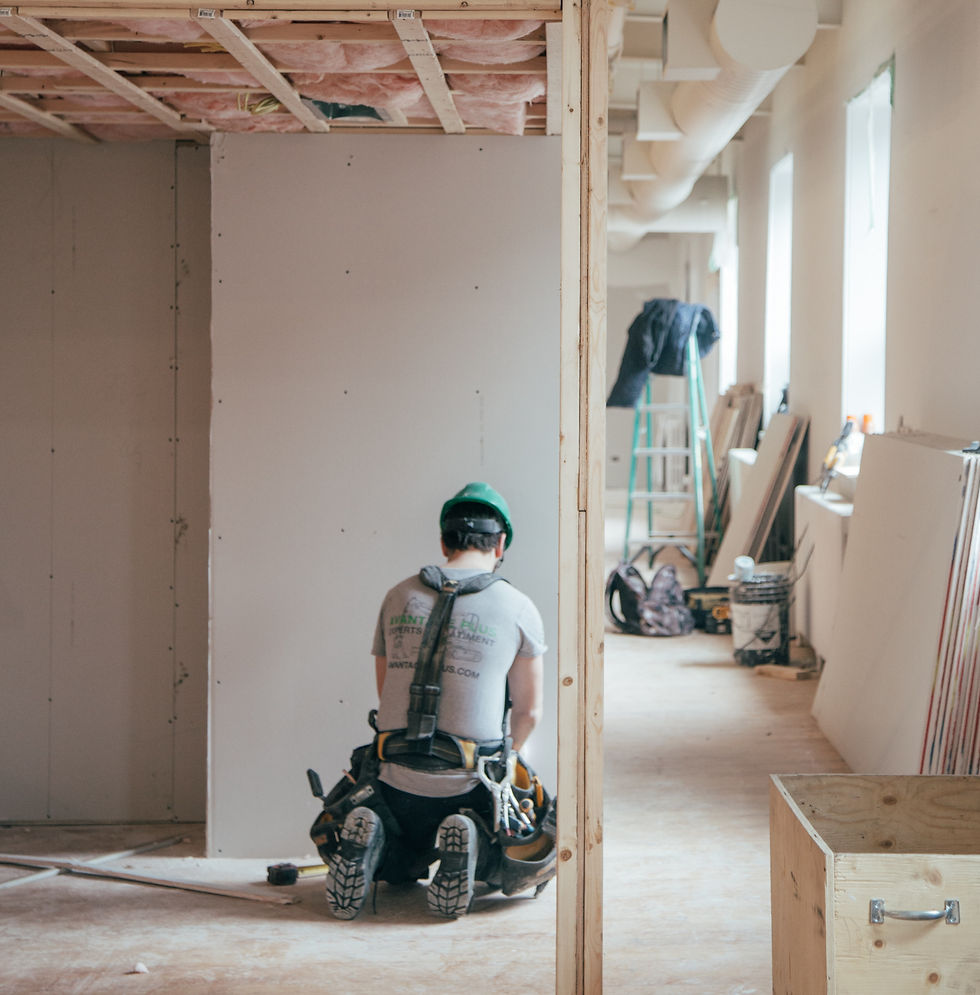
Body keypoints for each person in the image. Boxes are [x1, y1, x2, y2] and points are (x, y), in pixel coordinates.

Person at [324, 481, 547, 920]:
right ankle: (472, 840)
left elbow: (386, 691)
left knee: (401, 862)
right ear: (500, 544)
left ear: (444, 541)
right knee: (532, 839)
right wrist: (509, 760)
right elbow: (528, 712)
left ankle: (380, 844)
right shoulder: (518, 606)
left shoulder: (398, 595)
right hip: (467, 783)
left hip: (392, 782)